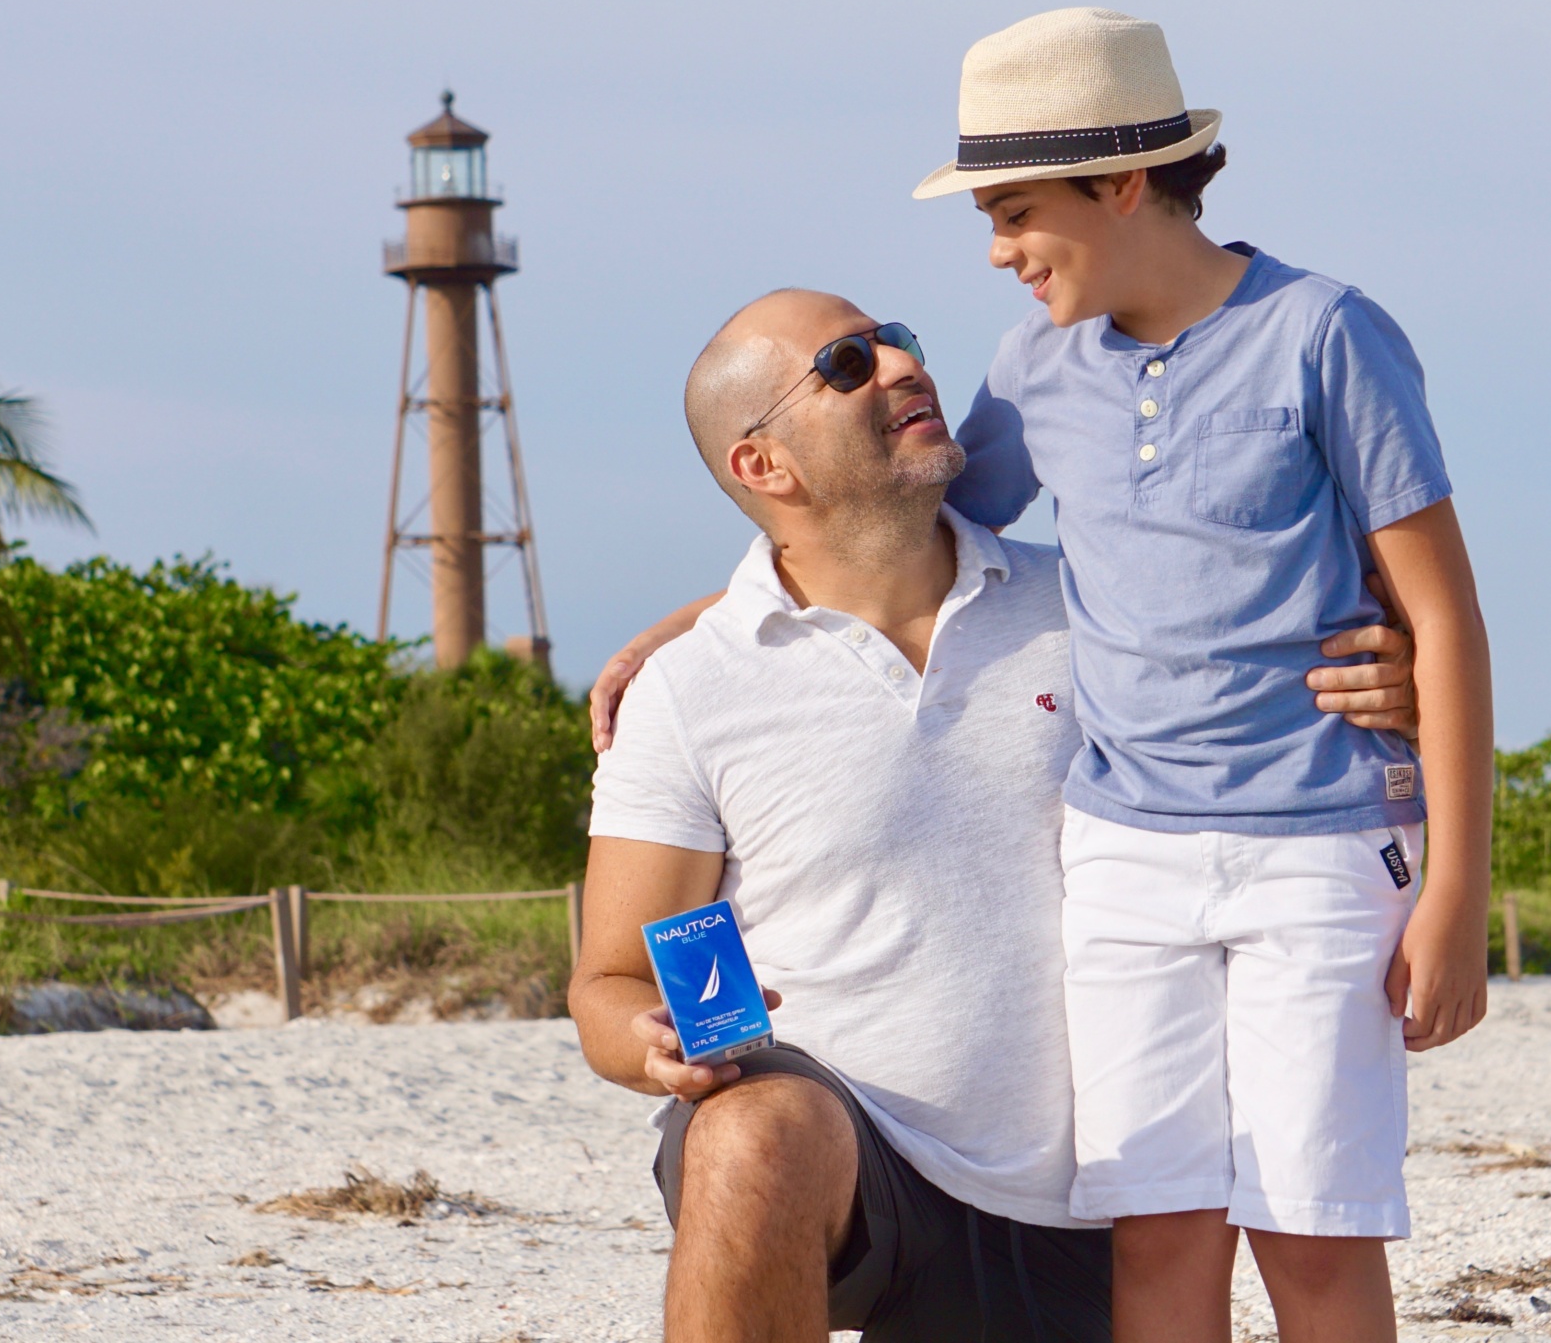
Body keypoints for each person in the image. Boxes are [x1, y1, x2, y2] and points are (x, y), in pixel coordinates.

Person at [571, 288, 1420, 1343]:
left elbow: (1288, 673)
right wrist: (649, 1044)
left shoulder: (1099, 609)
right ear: (762, 466)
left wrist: (1393, 680)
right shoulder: (690, 687)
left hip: (1091, 1193)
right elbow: (609, 980)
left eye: (896, 342)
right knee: (749, 1136)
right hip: (852, 1155)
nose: (899, 366)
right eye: (845, 364)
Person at [912, 7, 1494, 1343]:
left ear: (1123, 185)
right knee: (1160, 1237)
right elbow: (923, 530)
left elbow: (1446, 620)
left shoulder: (1326, 332)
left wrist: (1457, 888)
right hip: (1123, 856)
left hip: (1326, 852)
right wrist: (696, 618)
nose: (999, 252)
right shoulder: (1035, 368)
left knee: (1312, 1233)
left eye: (1014, 213)